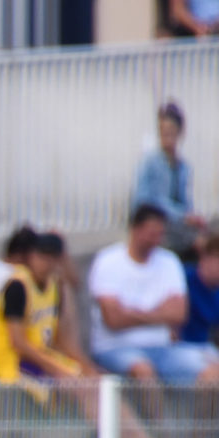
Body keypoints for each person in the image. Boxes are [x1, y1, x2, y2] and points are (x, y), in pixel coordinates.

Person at [0, 230, 181, 438]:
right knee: (86, 389)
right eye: (41, 256)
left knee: (103, 385)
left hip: (41, 359)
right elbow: (18, 343)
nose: (45, 263)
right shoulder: (17, 286)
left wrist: (87, 368)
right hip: (14, 363)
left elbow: (61, 341)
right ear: (32, 257)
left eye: (51, 258)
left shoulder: (54, 286)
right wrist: (59, 370)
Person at [89, 206, 218, 396]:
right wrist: (159, 313)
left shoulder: (169, 261)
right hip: (116, 348)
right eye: (151, 234)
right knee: (144, 371)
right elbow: (113, 320)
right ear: (135, 229)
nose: (156, 240)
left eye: (160, 234)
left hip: (164, 348)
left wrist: (130, 312)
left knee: (213, 373)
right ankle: (158, 418)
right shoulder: (108, 260)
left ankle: (202, 418)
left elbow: (178, 315)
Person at [134, 104, 200, 248]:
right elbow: (145, 200)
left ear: (180, 133)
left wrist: (192, 217)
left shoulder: (184, 167)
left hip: (178, 226)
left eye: (171, 131)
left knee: (207, 241)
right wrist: (182, 216)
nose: (166, 136)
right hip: (156, 223)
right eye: (163, 132)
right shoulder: (150, 161)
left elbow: (186, 202)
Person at [184, 232, 219, 347]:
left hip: (204, 348)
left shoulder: (216, 292)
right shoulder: (182, 278)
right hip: (174, 346)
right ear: (206, 258)